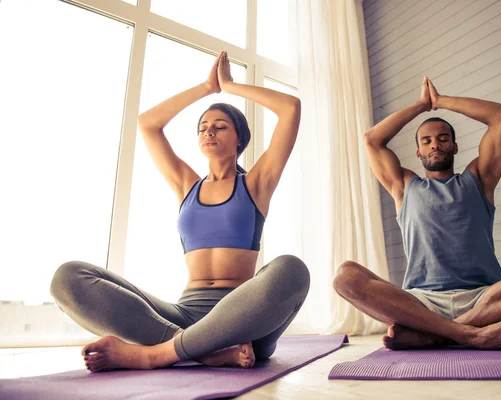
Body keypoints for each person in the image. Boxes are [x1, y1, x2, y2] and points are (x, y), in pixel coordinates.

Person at [50, 51, 309, 372]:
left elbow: (289, 108)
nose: (209, 132)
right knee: (68, 277)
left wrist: (229, 85)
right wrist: (206, 87)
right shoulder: (187, 185)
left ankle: (152, 355)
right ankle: (192, 347)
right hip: (182, 316)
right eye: (202, 128)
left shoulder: (257, 183)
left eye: (220, 126)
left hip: (243, 320)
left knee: (291, 270)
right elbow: (148, 124)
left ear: (240, 137)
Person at [333, 77, 501, 350]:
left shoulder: (479, 178)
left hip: (485, 299)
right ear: (419, 151)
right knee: (345, 276)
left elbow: (500, 115)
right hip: (421, 302)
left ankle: (438, 335)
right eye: (427, 141)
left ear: (454, 146)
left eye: (443, 138)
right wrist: (421, 105)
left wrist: (440, 102)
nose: (435, 144)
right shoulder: (403, 186)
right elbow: (372, 140)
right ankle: (474, 334)